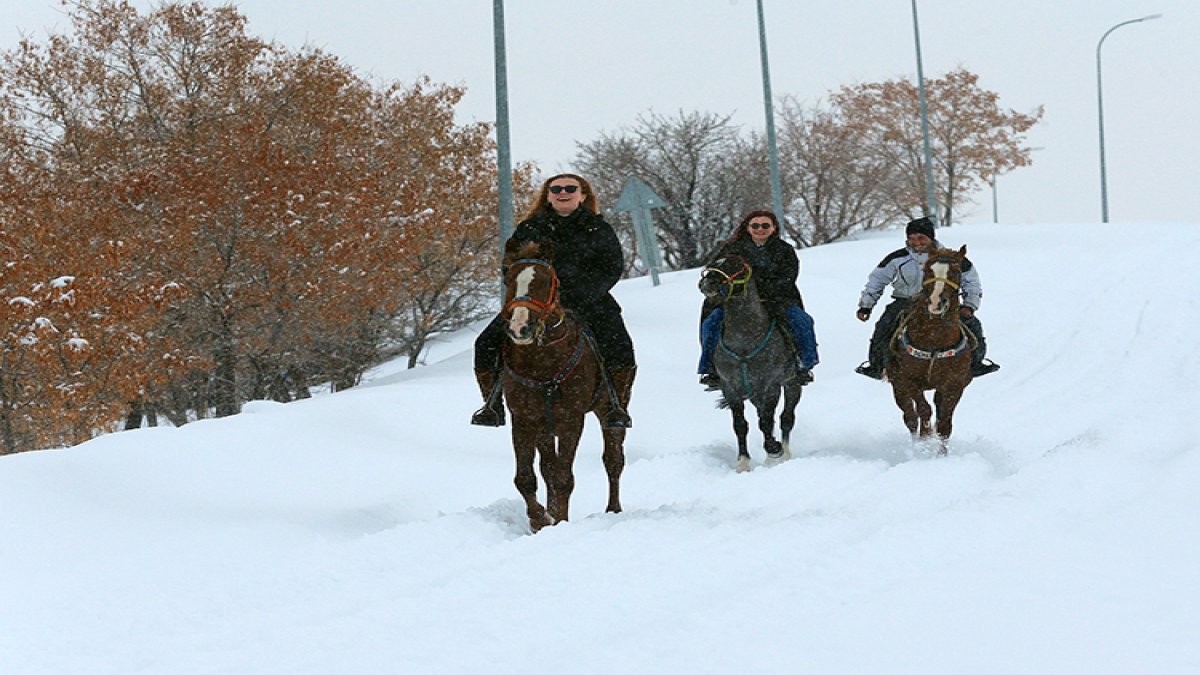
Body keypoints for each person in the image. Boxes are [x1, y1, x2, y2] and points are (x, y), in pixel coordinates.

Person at [471, 173, 636, 429]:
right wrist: (526, 293)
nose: (563, 192)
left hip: (588, 301)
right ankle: (492, 405)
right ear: (547, 196)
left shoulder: (598, 228)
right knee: (485, 342)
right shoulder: (530, 228)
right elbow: (511, 266)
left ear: (583, 195)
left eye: (571, 188)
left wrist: (580, 295)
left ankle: (616, 405)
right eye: (555, 188)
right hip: (535, 304)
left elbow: (612, 267)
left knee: (619, 344)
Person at [854, 216, 1000, 380]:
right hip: (906, 302)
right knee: (883, 328)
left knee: (973, 327)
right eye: (911, 238)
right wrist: (866, 305)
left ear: (931, 238)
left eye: (921, 238)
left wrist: (969, 305)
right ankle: (876, 365)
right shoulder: (897, 259)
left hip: (943, 304)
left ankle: (976, 364)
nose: (916, 243)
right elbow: (877, 281)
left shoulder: (952, 258)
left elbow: (971, 282)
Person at [697, 209, 819, 389]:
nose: (760, 229)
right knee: (710, 324)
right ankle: (710, 368)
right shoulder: (732, 249)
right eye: (755, 225)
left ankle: (804, 364)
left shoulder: (784, 250)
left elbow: (789, 276)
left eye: (765, 225)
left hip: (777, 300)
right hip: (735, 301)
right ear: (747, 227)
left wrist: (765, 293)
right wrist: (713, 286)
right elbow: (716, 271)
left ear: (773, 228)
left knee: (803, 321)